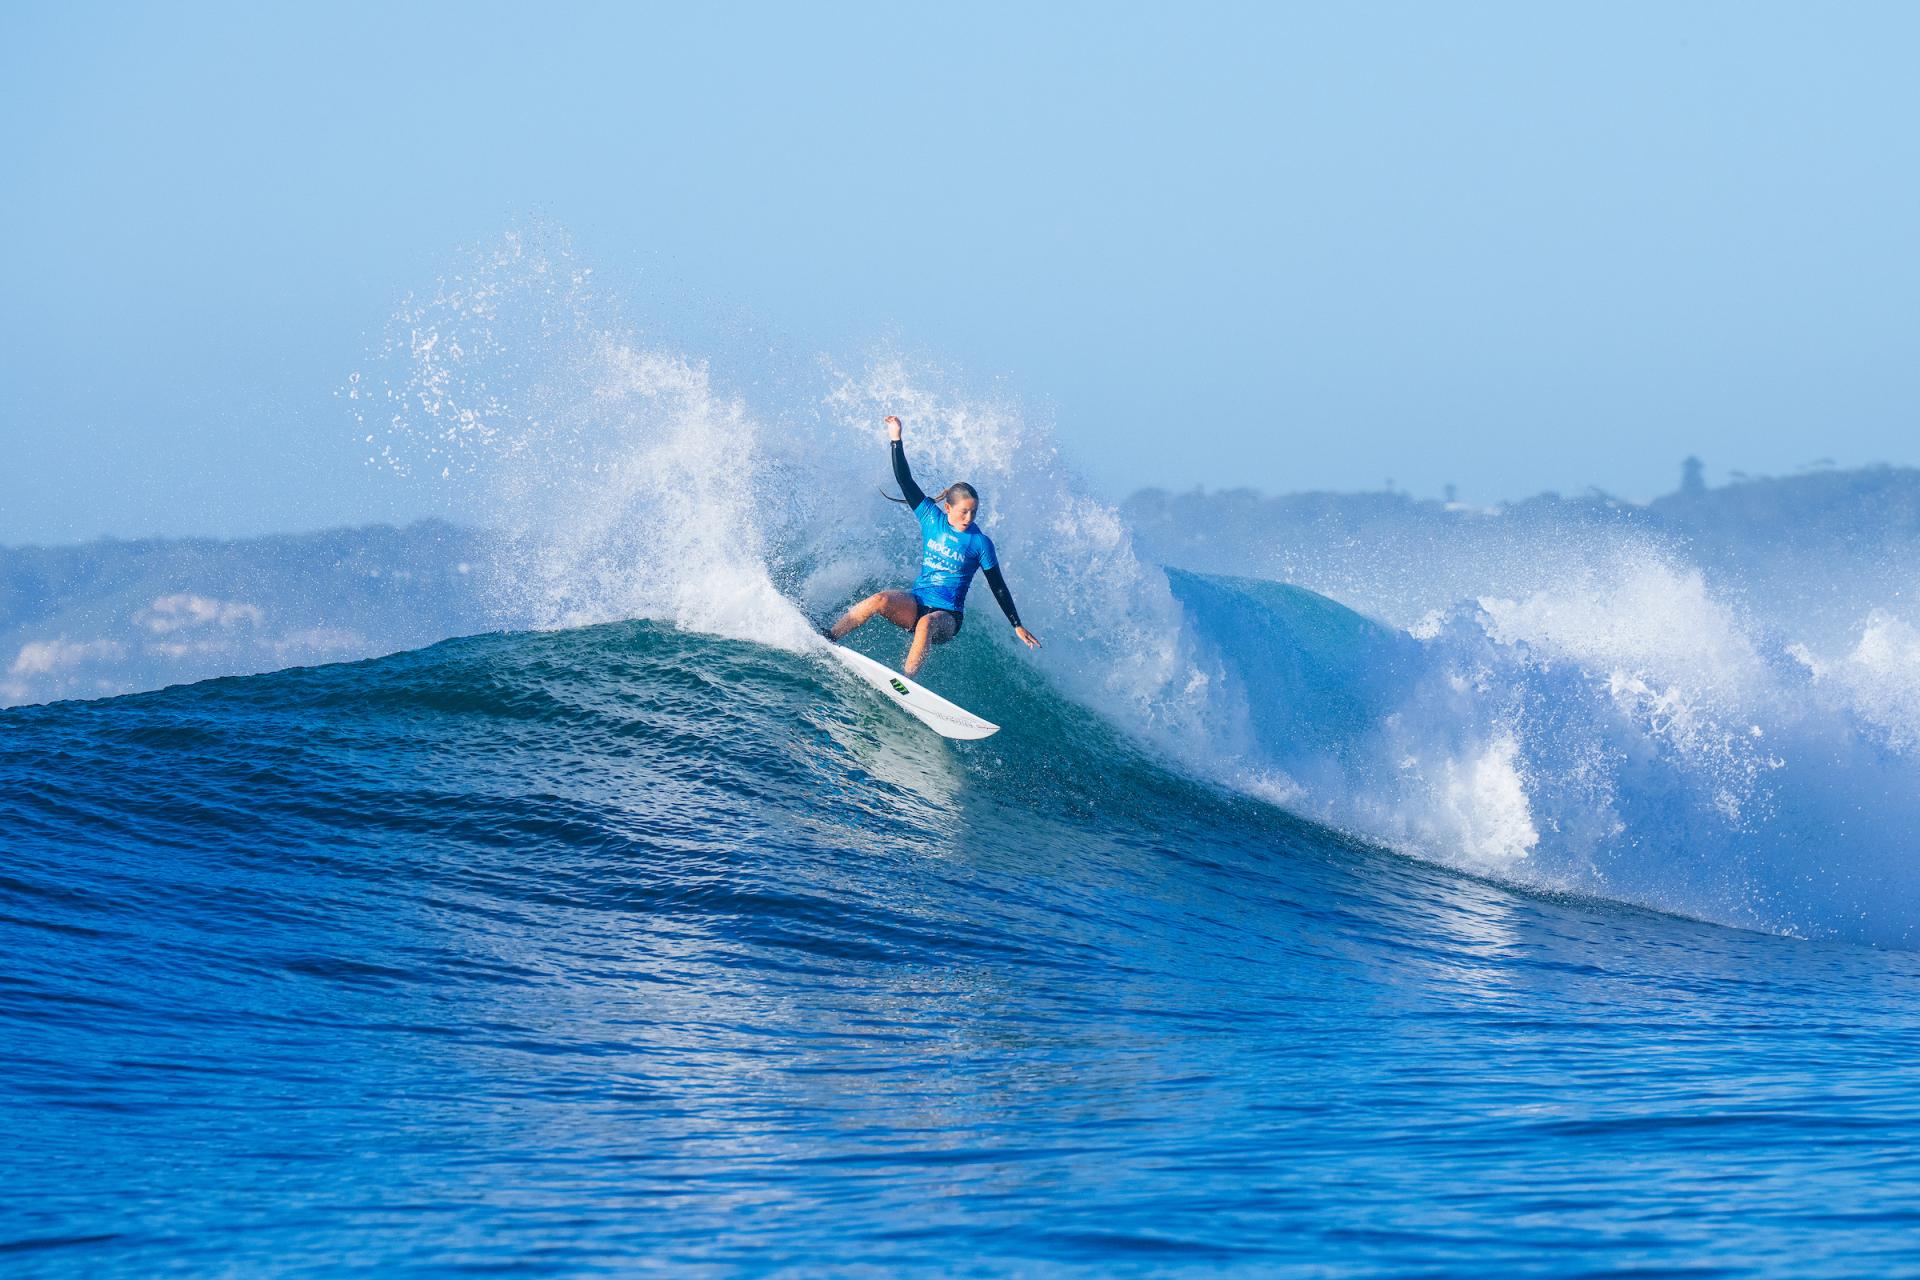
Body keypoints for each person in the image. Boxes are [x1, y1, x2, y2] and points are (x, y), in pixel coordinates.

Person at [826, 415, 1041, 676]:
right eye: (963, 512)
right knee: (880, 599)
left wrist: (1016, 624)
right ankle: (830, 636)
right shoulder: (931, 519)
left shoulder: (980, 543)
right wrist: (896, 438)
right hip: (916, 603)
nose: (969, 518)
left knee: (926, 624)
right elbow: (905, 481)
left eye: (974, 512)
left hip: (948, 618)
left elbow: (998, 585)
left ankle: (905, 682)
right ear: (948, 508)